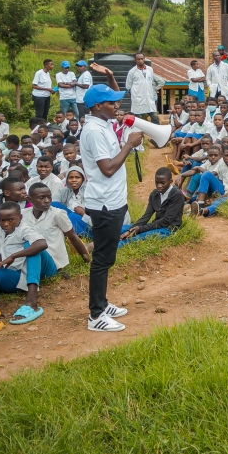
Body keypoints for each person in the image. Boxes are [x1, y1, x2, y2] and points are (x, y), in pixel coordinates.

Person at [79, 82, 145, 333]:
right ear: (97, 106)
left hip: (112, 199)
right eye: (111, 102)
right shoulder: (94, 131)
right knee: (102, 259)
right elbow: (107, 169)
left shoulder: (102, 124)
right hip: (105, 202)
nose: (116, 106)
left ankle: (103, 304)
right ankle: (96, 315)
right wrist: (128, 145)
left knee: (107, 256)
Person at [0, 202, 55, 333]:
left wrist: (14, 256)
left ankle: (32, 302)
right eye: (2, 220)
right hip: (8, 275)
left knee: (32, 246)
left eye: (10, 220)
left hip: (35, 271)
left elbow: (42, 244)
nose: (5, 224)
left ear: (20, 218)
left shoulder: (24, 229)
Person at [118, 168, 185, 245]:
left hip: (168, 228)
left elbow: (167, 220)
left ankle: (115, 247)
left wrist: (140, 229)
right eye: (157, 182)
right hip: (156, 225)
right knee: (122, 229)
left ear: (170, 181)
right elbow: (146, 216)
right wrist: (130, 230)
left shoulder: (176, 195)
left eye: (163, 183)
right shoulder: (154, 194)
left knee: (135, 238)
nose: (159, 186)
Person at [125, 53, 163, 122]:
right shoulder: (132, 72)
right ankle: (139, 132)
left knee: (154, 117)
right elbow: (128, 86)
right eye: (138, 59)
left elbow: (150, 81)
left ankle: (155, 132)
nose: (140, 60)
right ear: (135, 60)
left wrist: (153, 91)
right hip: (138, 98)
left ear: (144, 59)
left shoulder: (150, 69)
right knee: (139, 119)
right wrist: (133, 93)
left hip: (149, 97)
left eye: (142, 59)